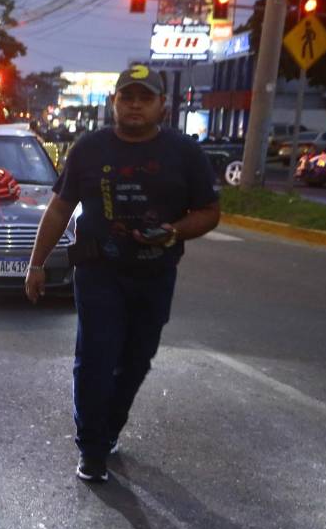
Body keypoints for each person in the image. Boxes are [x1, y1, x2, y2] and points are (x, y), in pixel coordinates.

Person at [25, 64, 220, 483]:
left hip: (155, 274)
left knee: (136, 360)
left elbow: (209, 212)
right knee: (96, 357)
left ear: (161, 106)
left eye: (144, 98)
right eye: (127, 97)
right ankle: (92, 447)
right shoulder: (88, 150)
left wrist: (174, 232)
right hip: (98, 271)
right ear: (114, 102)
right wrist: (36, 263)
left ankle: (109, 429)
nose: (135, 105)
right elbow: (60, 207)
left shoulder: (184, 152)